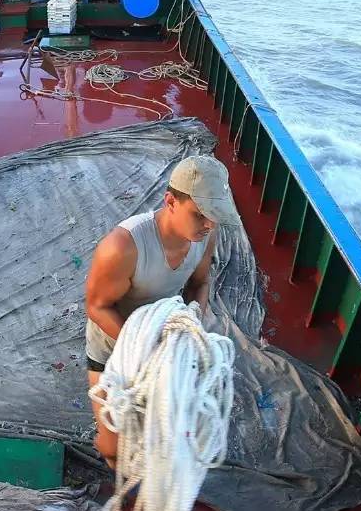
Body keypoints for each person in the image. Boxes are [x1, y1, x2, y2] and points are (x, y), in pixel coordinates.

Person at [84, 154, 242, 468]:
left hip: (166, 343)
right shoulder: (122, 247)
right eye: (199, 215)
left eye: (214, 216)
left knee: (162, 435)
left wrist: (191, 323)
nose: (209, 225)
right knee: (112, 444)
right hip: (115, 348)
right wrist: (147, 348)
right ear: (170, 201)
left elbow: (199, 283)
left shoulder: (205, 234)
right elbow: (97, 307)